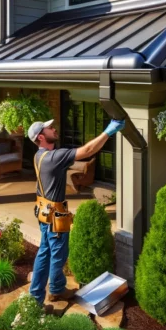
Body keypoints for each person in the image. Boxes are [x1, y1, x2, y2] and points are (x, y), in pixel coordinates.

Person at [27, 117, 125, 306]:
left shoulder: (40, 156)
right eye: (49, 129)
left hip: (44, 213)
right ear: (41, 137)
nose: (54, 129)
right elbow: (88, 151)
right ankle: (48, 294)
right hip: (54, 217)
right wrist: (109, 131)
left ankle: (44, 294)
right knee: (58, 255)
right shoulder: (54, 157)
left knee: (44, 252)